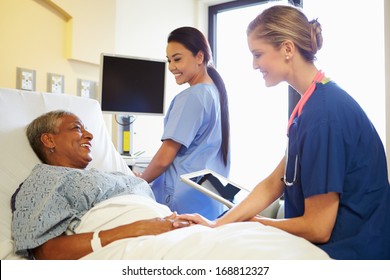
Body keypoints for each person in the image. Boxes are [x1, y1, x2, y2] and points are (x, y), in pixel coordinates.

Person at [176, 5, 390, 260]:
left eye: (258, 54)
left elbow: (318, 227)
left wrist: (254, 224)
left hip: (351, 254)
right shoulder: (310, 106)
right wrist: (218, 225)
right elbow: (273, 183)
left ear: (288, 49)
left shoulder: (325, 114)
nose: (254, 65)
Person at [11, 110, 189, 260]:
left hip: (172, 233)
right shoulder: (45, 179)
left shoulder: (110, 175)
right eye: (77, 128)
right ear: (49, 140)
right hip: (136, 246)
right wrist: (137, 228)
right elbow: (44, 251)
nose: (90, 135)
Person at [136, 27, 231, 220]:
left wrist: (139, 182)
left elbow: (164, 158)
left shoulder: (192, 96)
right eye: (169, 60)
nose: (171, 66)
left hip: (183, 198)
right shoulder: (214, 93)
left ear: (199, 57)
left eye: (177, 59)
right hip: (211, 198)